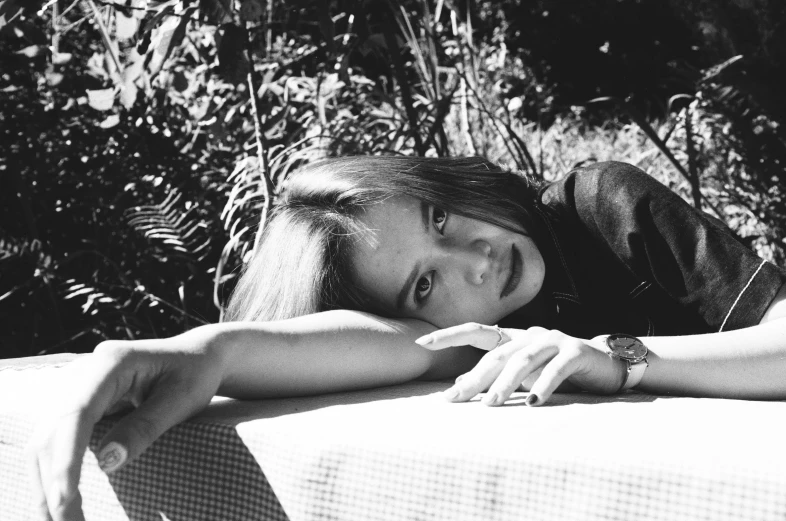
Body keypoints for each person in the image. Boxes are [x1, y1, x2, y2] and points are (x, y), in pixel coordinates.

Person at [28, 156, 786, 520]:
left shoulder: (601, 206)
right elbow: (367, 341)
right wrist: (210, 351)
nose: (476, 258)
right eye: (425, 283)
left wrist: (622, 360)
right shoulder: (466, 338)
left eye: (440, 219)